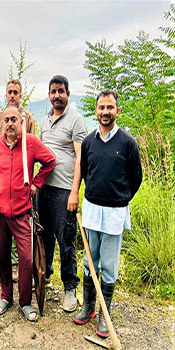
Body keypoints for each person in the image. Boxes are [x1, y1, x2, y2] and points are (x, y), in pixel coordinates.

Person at [73, 89, 142, 338]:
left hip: (114, 213)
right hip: (91, 211)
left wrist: (120, 198)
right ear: (96, 111)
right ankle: (88, 306)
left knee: (109, 266)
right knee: (89, 262)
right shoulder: (89, 142)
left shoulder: (127, 142)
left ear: (117, 111)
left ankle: (105, 312)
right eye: (101, 107)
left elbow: (136, 178)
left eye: (110, 107)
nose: (105, 112)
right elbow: (84, 172)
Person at [0, 105, 56, 322]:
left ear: (21, 122)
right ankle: (6, 297)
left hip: (23, 213)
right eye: (6, 120)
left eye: (13, 119)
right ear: (2, 123)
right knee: (2, 256)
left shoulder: (30, 143)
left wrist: (36, 183)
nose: (10, 124)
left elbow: (50, 161)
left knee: (25, 259)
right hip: (0, 214)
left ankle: (25, 302)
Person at [38, 75, 88, 312]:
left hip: (64, 190)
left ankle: (70, 287)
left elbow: (81, 158)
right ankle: (45, 276)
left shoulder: (76, 120)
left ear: (68, 93)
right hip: (43, 189)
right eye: (53, 91)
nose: (57, 95)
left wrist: (74, 192)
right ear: (49, 95)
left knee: (65, 240)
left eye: (61, 91)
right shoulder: (45, 120)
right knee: (43, 237)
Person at [0, 79, 35, 148]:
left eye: (15, 92)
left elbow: (32, 145)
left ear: (20, 96)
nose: (12, 95)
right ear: (6, 96)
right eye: (10, 92)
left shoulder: (28, 118)